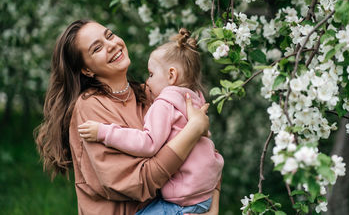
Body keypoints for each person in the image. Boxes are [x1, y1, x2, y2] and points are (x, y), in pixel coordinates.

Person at [34, 20, 220, 215]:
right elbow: (139, 182)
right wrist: (193, 130)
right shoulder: (90, 108)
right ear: (86, 69)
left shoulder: (153, 94)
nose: (111, 45)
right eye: (97, 48)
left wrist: (211, 210)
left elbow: (205, 157)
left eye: (109, 35)